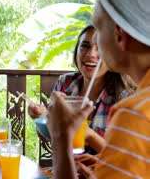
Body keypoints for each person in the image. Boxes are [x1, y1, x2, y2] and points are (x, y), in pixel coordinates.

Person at [47, 0, 150, 178]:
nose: (93, 52)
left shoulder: (135, 114)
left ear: (120, 35)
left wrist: (60, 138)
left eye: (99, 28)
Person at [28, 25, 134, 153]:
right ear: (77, 50)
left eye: (100, 48)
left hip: (102, 172)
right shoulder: (65, 83)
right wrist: (41, 119)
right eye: (85, 46)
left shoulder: (126, 97)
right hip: (67, 169)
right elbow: (51, 137)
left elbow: (123, 158)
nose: (91, 54)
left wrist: (88, 135)